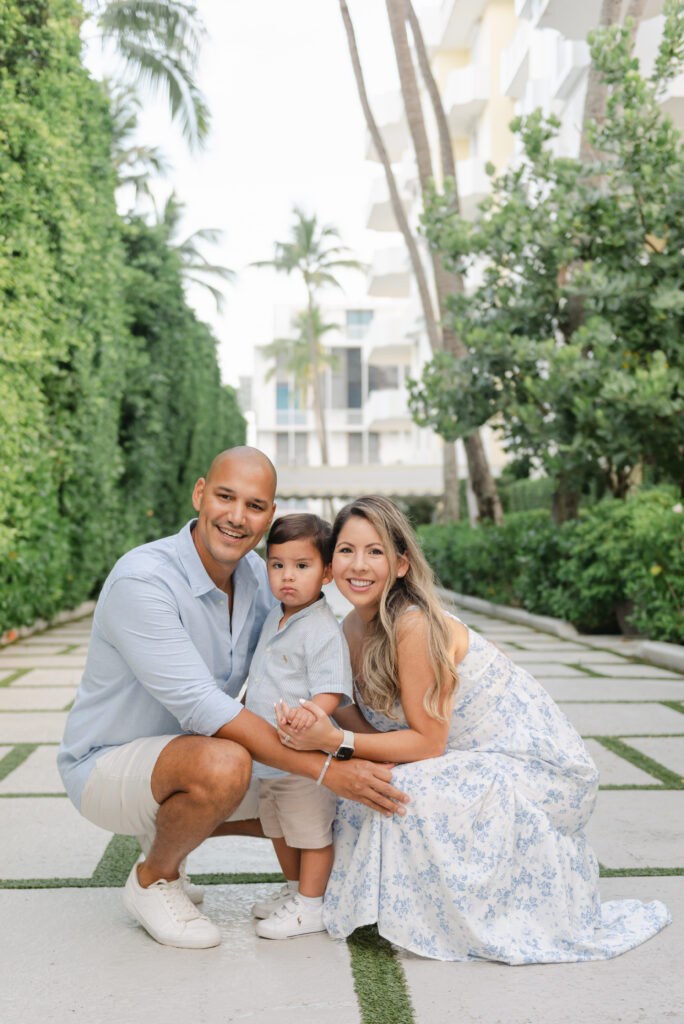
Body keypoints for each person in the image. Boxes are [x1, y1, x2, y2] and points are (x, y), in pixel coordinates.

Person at [276, 495, 671, 963]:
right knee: (356, 784)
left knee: (397, 789)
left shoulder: (414, 623)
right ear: (329, 562)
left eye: (375, 551)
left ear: (401, 564)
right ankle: (318, 899)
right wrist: (323, 721)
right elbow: (365, 727)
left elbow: (427, 742)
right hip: (462, 755)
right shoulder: (349, 629)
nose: (358, 565)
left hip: (538, 769)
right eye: (346, 550)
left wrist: (335, 742)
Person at [57, 450, 408, 950]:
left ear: (270, 516)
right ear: (200, 493)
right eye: (225, 497)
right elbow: (205, 707)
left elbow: (303, 681)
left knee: (298, 794)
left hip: (181, 754)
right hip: (106, 765)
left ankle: (185, 840)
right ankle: (152, 878)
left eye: (255, 505)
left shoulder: (260, 584)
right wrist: (332, 769)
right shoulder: (144, 580)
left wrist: (373, 750)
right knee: (234, 765)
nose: (237, 517)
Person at [244, 513, 353, 939]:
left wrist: (313, 713)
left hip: (303, 755)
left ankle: (313, 905)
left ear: (325, 572)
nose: (287, 576)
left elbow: (331, 688)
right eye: (277, 565)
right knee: (279, 829)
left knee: (310, 832)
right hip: (270, 756)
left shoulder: (323, 630)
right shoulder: (277, 617)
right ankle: (294, 891)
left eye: (301, 566)